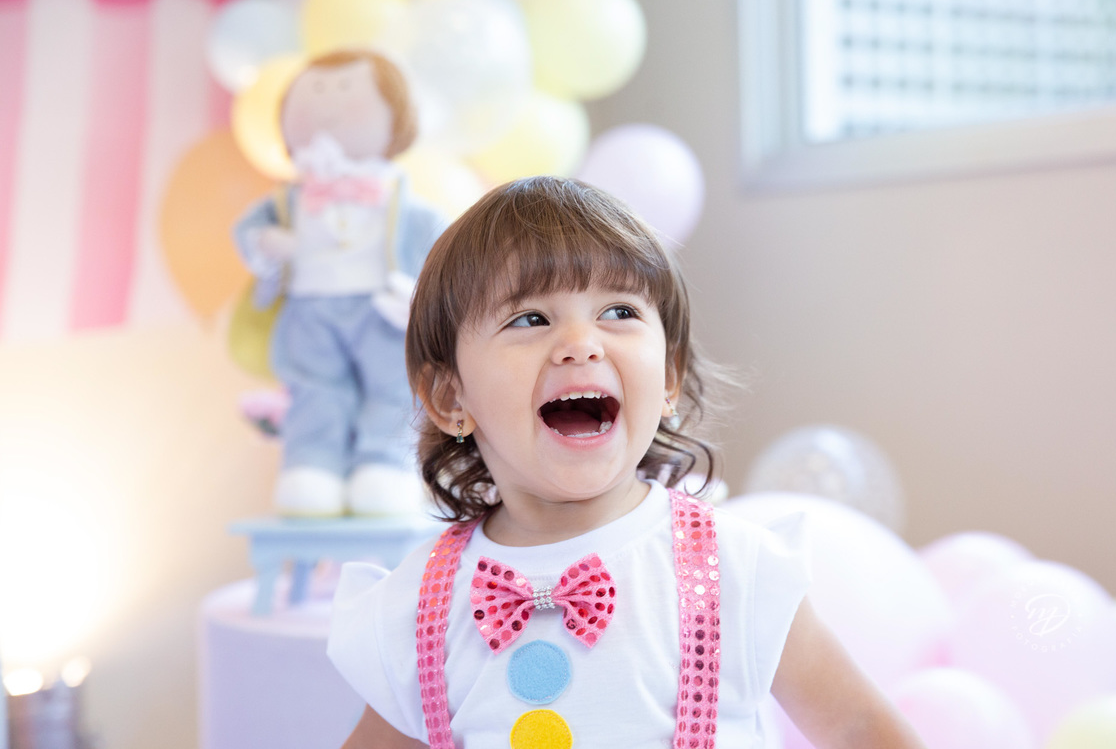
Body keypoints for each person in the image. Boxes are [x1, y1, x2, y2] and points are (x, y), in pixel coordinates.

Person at [327, 177, 927, 748]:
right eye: (530, 318)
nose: (582, 343)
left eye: (619, 312)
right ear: (450, 398)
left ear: (668, 376)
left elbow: (856, 730)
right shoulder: (421, 606)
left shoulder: (735, 570)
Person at [233, 49, 448, 518]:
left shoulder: (397, 195)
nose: (328, 104)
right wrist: (267, 243)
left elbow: (440, 241)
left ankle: (385, 466)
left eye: (345, 90)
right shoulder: (289, 197)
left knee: (393, 387)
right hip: (309, 310)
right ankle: (311, 466)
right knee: (314, 388)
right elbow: (247, 234)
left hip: (385, 311)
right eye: (315, 92)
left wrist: (424, 293)